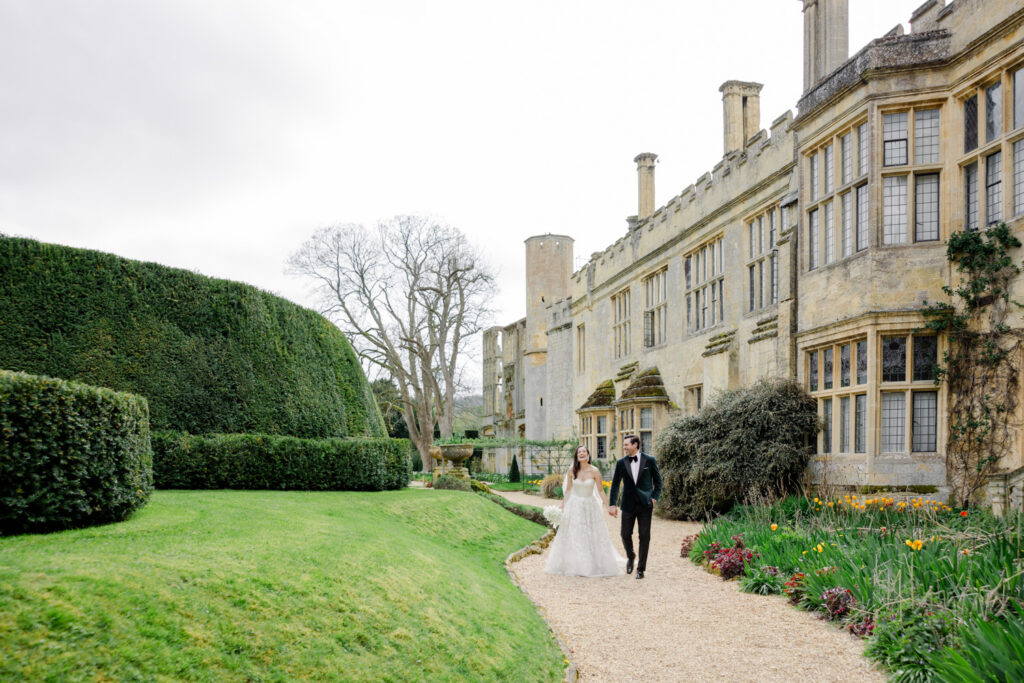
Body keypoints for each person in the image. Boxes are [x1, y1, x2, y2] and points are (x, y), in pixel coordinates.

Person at [544, 445, 624, 577]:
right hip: (575, 506)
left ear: (588, 455)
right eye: (579, 452)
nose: (581, 453)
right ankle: (576, 564)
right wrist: (562, 505)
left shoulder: (595, 471)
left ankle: (592, 564)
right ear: (576, 456)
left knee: (592, 534)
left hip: (590, 506)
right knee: (575, 534)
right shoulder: (572, 470)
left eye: (584, 451)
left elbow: (600, 491)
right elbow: (568, 490)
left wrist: (608, 506)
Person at [608, 435, 662, 580]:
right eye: (624, 444)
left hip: (645, 504)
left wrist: (654, 497)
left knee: (644, 536)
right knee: (625, 534)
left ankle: (641, 569)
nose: (624, 447)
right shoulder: (621, 463)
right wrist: (612, 504)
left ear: (635, 445)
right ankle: (631, 556)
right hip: (628, 504)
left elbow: (658, 481)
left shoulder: (650, 460)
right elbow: (615, 485)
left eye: (626, 444)